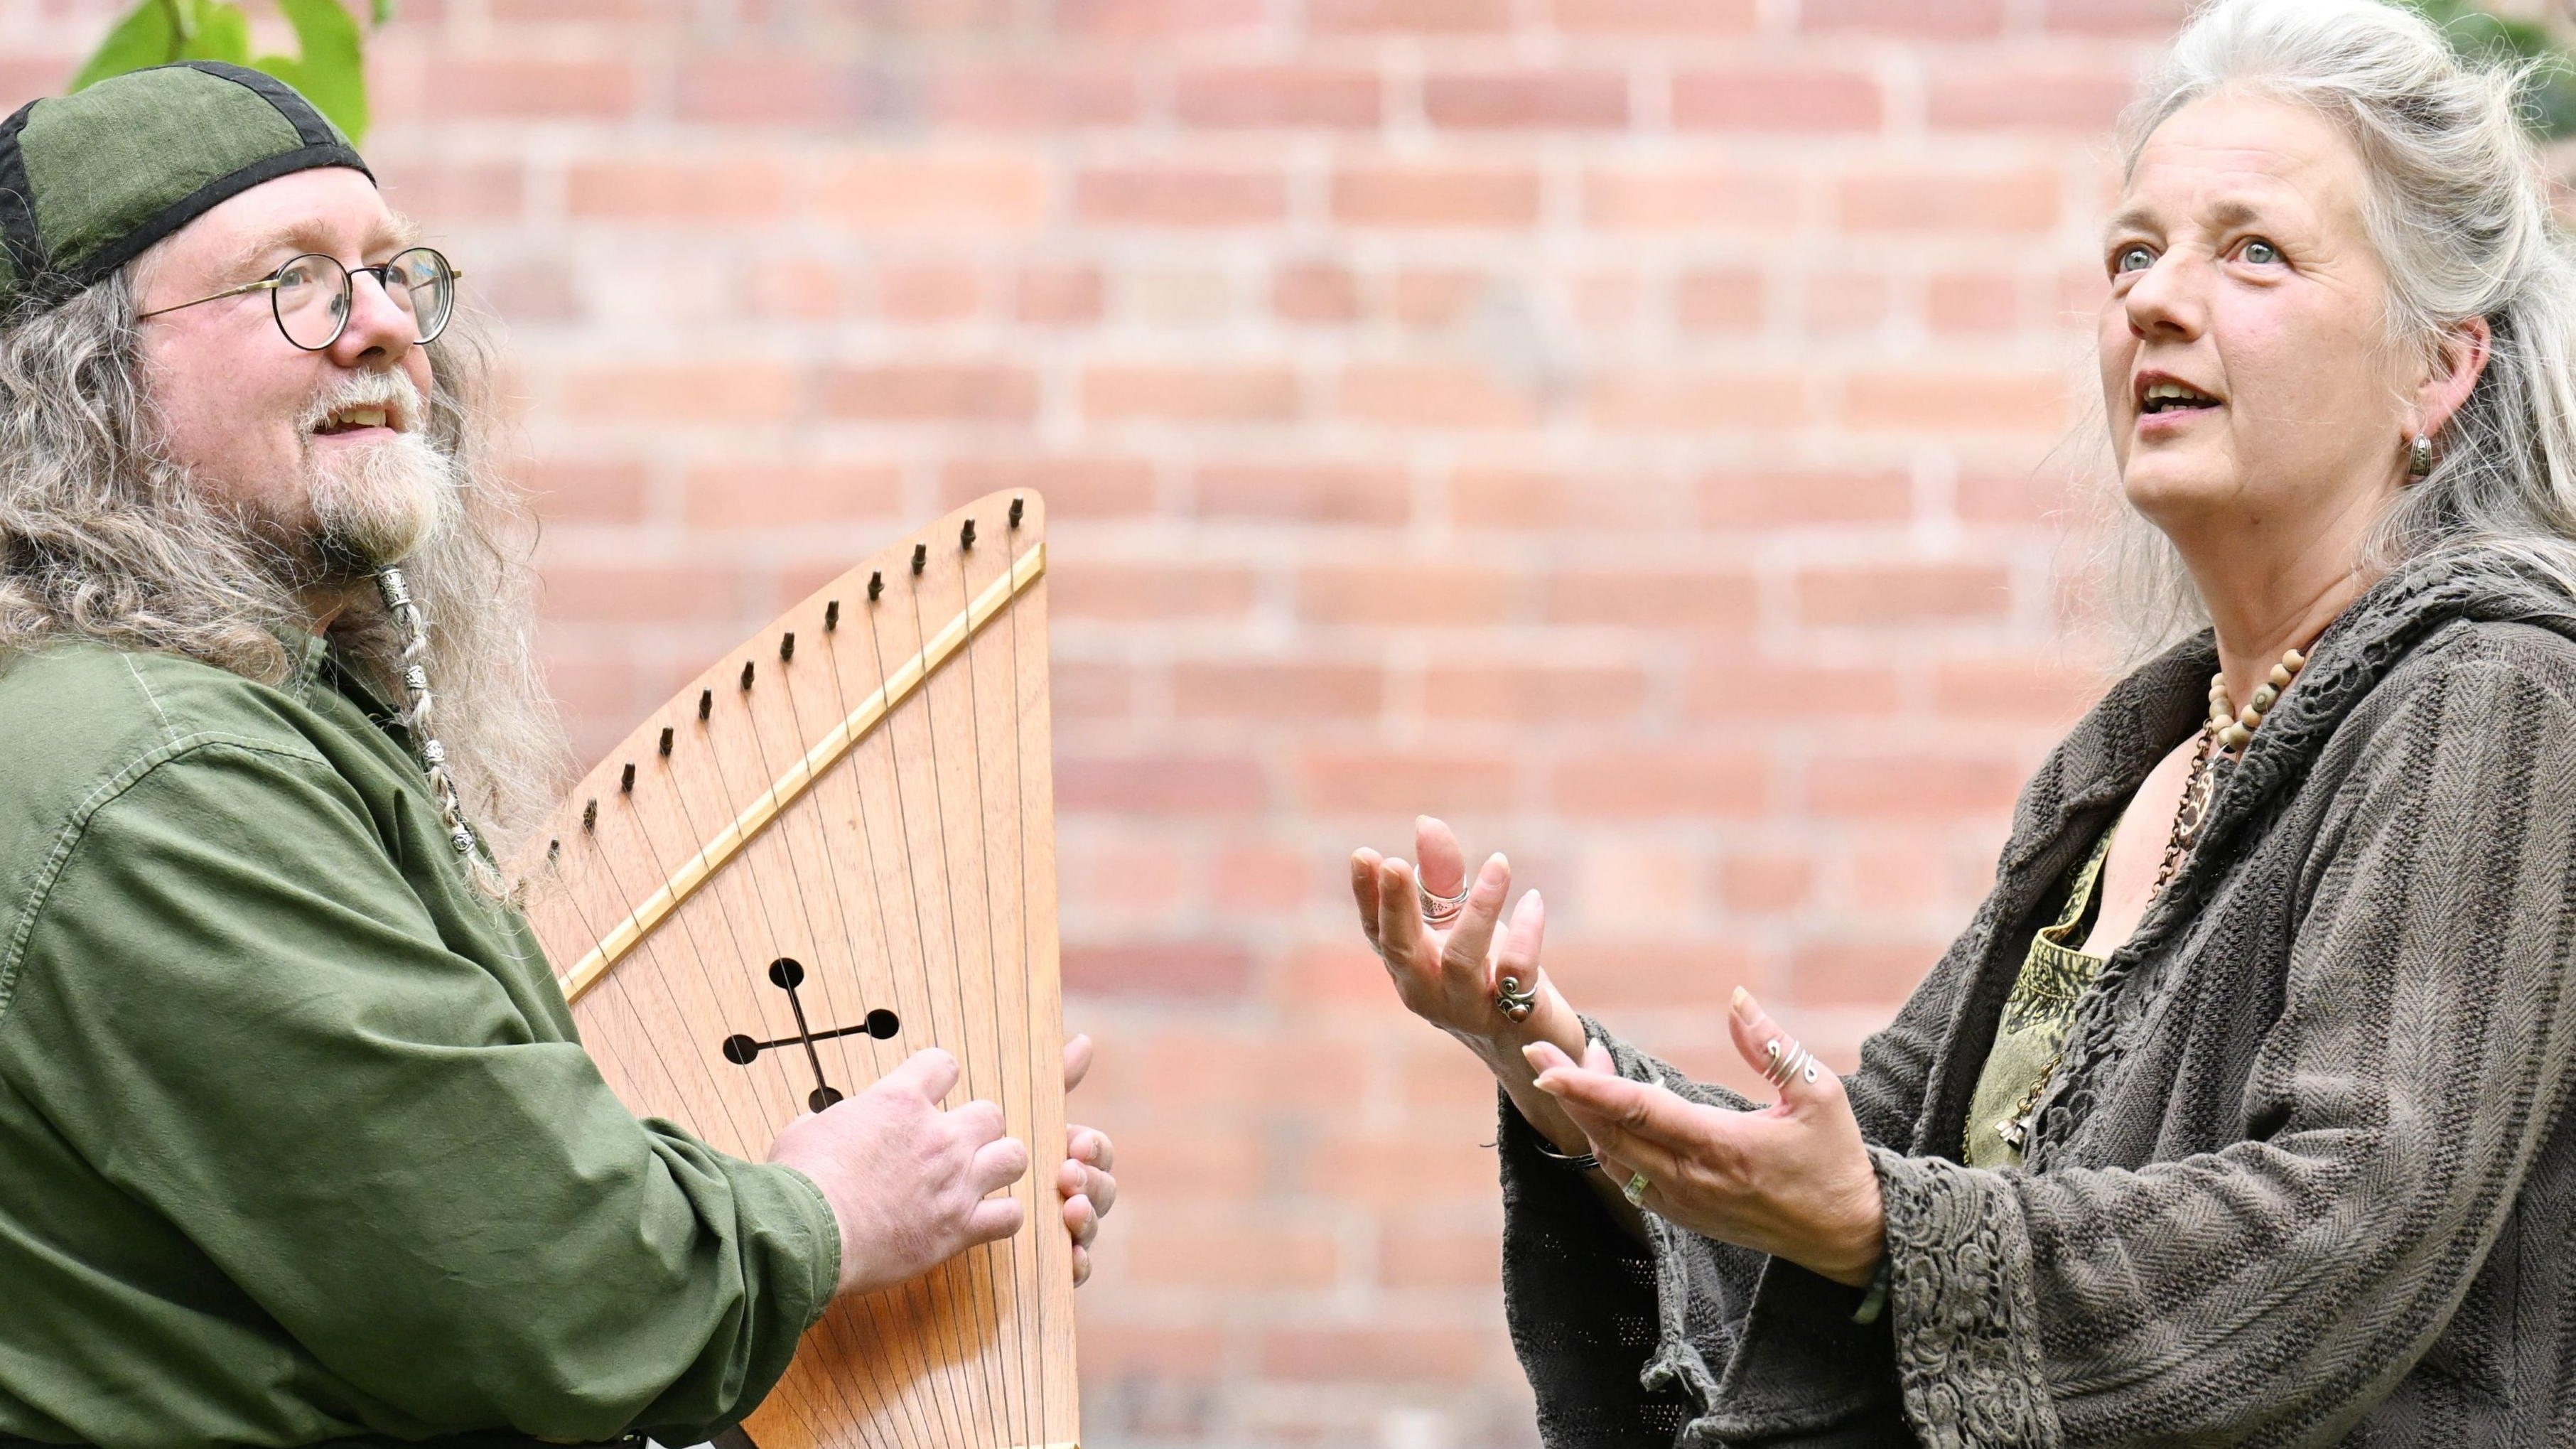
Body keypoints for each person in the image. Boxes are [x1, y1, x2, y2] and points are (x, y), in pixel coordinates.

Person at [1353, 1, 2576, 1443]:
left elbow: (2344, 1228)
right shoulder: (2135, 769)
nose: (2156, 302)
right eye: (2134, 252)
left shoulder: (2494, 690)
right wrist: (1557, 1060)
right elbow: (1854, 1170)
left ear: (2443, 364)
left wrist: (1882, 1230)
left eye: (2253, 249)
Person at [0, 61, 1114, 1448]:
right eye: (295, 280)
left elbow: (436, 1251)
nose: (389, 327)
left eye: (398, 274)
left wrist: (921, 1200)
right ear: (76, 384)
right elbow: (542, 1278)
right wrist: (823, 1218)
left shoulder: (232, 719)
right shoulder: (153, 774)